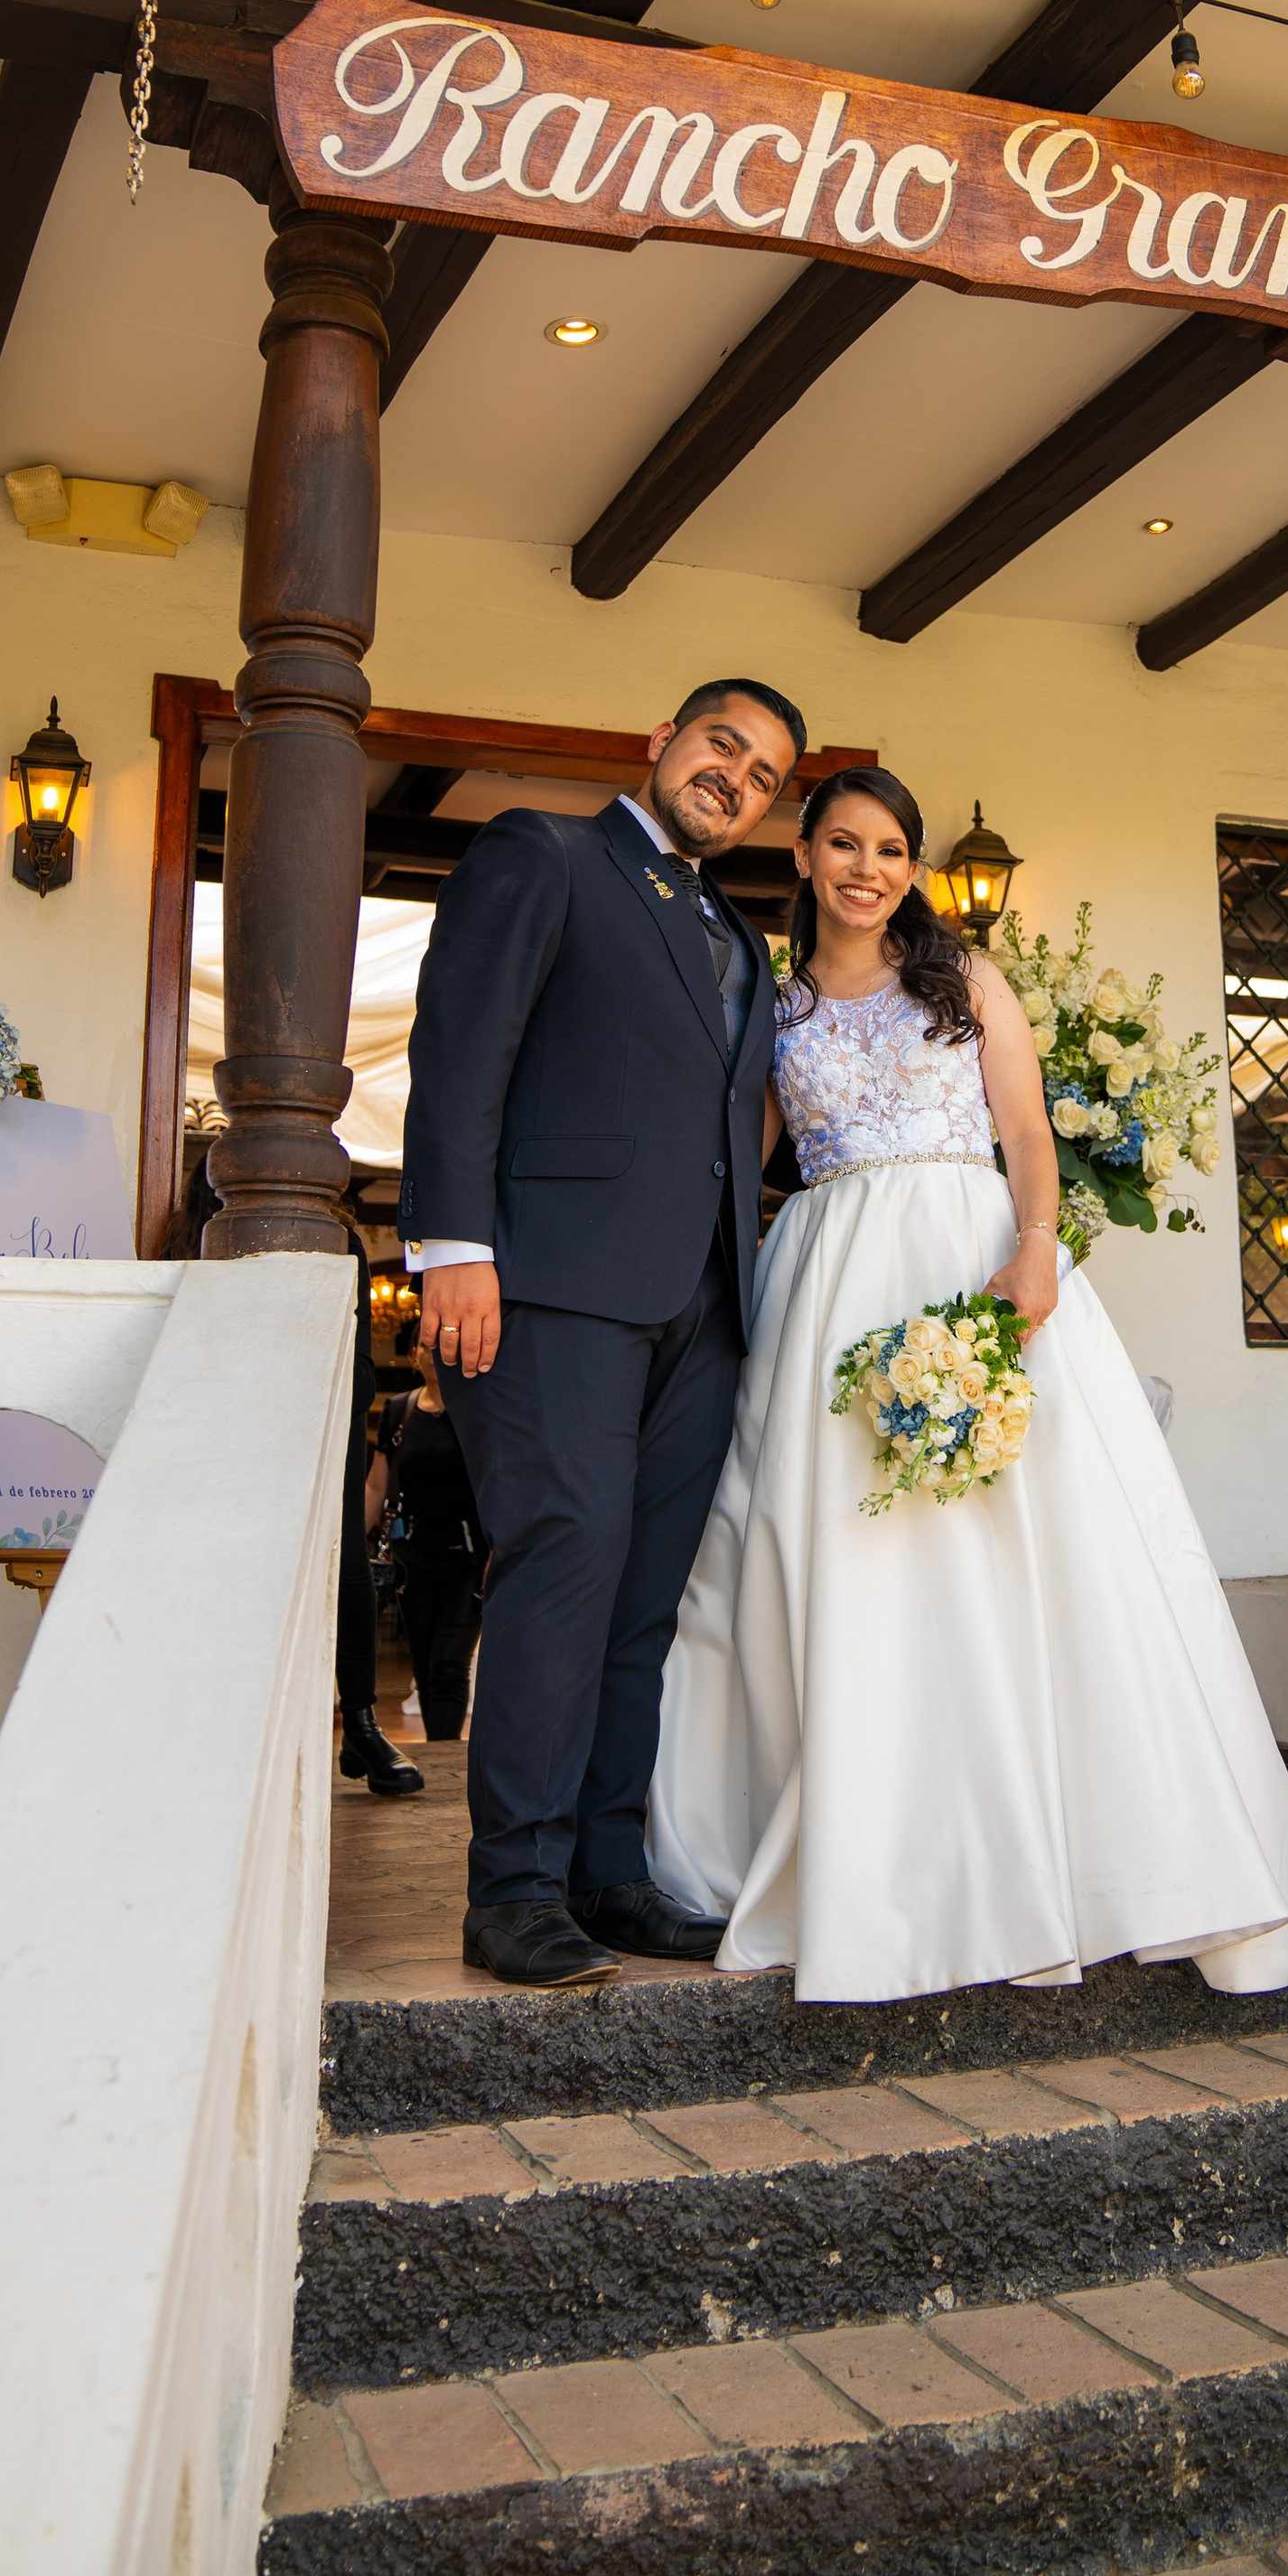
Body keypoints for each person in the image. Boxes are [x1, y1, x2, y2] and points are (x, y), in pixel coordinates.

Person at [649, 766, 1288, 2003]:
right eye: (844, 844)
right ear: (804, 856)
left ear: (912, 868)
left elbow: (1026, 1132)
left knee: (1030, 1543)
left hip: (972, 1257)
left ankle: (1085, 1849)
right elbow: (733, 1161)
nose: (867, 868)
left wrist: (1035, 1248)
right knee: (836, 1546)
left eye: (890, 849)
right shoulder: (771, 1001)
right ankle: (863, 1846)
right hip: (826, 1282)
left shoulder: (964, 981)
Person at [399, 678, 804, 1987]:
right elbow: (461, 1045)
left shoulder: (740, 937)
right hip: (551, 1284)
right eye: (722, 745)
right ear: (662, 741)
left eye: (764, 774)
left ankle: (608, 1870)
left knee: (644, 1596)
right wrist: (453, 1246)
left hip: (705, 1303)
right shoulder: (545, 852)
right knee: (565, 1557)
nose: (735, 777)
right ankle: (512, 1888)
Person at [334, 1224, 425, 1797]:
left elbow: (362, 1372)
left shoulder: (342, 1237)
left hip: (331, 1406)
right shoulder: (203, 1218)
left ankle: (361, 1722)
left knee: (349, 1564)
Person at [373, 1358, 489, 1741]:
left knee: (448, 1663)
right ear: (414, 1354)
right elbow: (376, 1485)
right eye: (426, 1343)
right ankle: (438, 1747)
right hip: (413, 1557)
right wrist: (347, 1544)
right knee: (424, 1667)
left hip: (468, 1557)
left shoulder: (479, 1408)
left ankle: (442, 1750)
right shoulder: (399, 1410)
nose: (433, 1352)